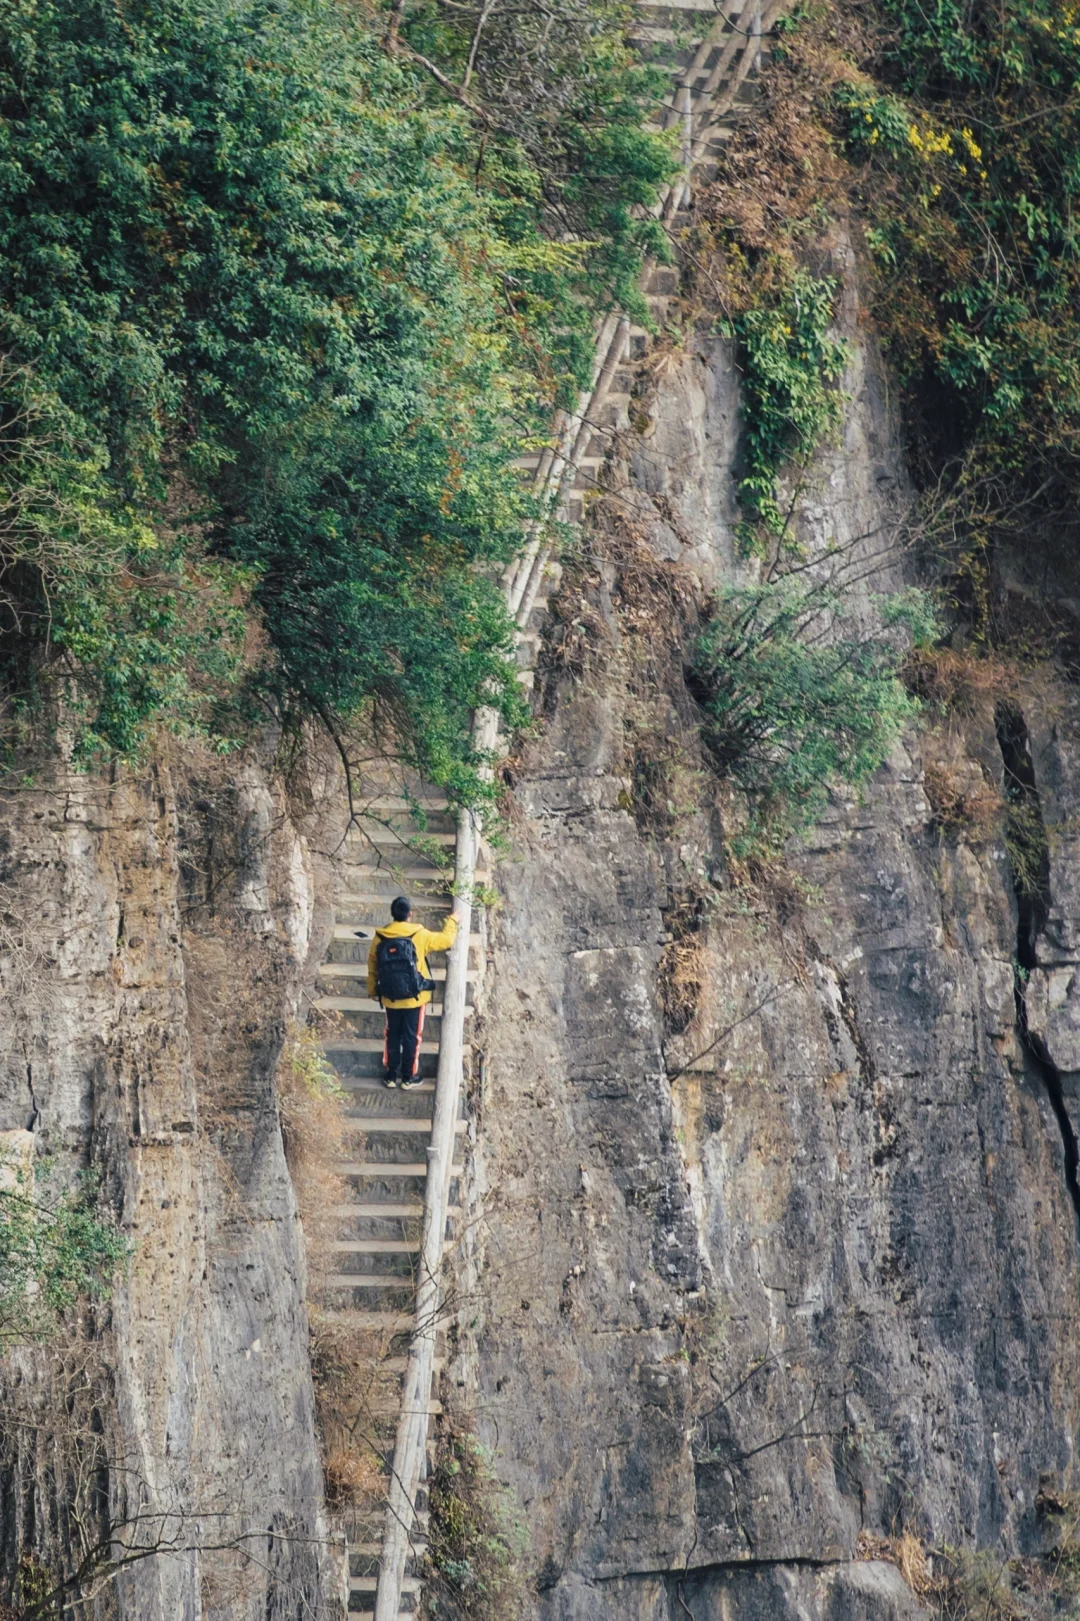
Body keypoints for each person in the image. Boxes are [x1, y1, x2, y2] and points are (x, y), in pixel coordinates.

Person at [366, 896, 459, 1088]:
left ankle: (391, 1075)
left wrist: (373, 989)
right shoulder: (420, 934)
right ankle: (408, 1077)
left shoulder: (381, 936)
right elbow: (446, 940)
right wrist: (453, 921)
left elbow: (372, 965)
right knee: (412, 1036)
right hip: (415, 998)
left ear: (392, 914)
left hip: (390, 996)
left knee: (392, 1034)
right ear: (410, 914)